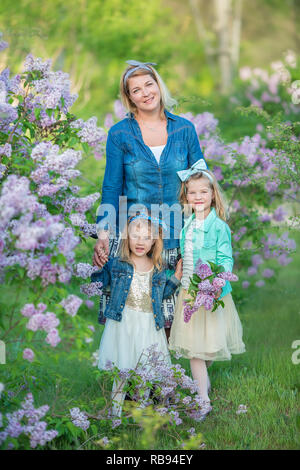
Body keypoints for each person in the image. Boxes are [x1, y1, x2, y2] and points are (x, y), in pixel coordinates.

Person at [93, 59, 208, 339]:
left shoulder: (185, 130)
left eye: (149, 84)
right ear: (129, 98)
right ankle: (133, 379)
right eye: (136, 90)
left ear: (158, 85)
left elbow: (202, 183)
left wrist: (205, 229)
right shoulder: (120, 133)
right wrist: (104, 234)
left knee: (174, 318)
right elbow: (111, 188)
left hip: (177, 234)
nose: (145, 93)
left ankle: (166, 379)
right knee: (135, 315)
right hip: (137, 239)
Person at [168, 161, 246, 418]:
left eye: (204, 191)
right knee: (195, 350)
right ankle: (203, 399)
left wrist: (216, 282)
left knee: (207, 348)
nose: (198, 197)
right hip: (190, 295)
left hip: (210, 294)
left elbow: (225, 259)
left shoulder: (218, 226)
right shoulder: (187, 224)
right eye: (192, 192)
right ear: (186, 197)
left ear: (213, 195)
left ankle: (203, 380)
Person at [91, 212, 183, 417]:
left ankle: (140, 413)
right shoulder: (117, 264)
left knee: (145, 370)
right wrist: (99, 265)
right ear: (127, 237)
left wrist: (176, 277)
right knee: (122, 368)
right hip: (124, 323)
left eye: (147, 237)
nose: (140, 242)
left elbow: (161, 295)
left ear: (154, 241)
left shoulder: (157, 268)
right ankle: (114, 412)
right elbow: (100, 282)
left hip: (149, 325)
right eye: (135, 235)